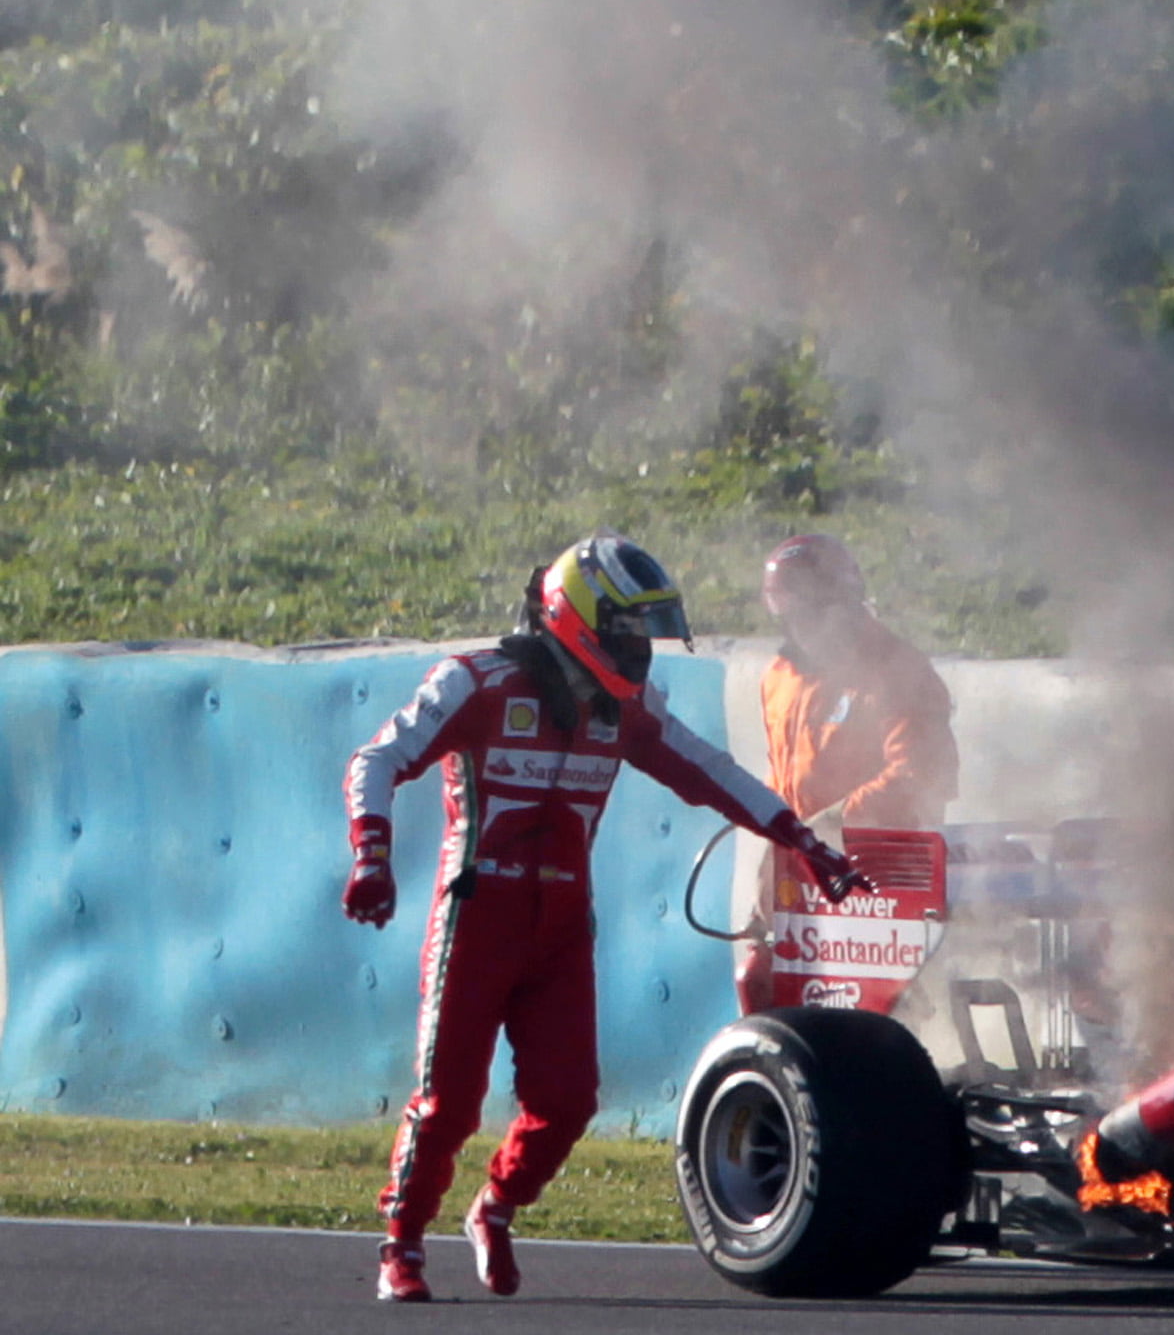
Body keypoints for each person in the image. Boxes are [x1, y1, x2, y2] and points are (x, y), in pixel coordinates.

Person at [344, 533, 864, 1305]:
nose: (640, 651)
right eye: (628, 630)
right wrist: (372, 854)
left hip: (561, 926)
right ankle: (403, 1244)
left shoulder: (628, 712)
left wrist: (798, 837)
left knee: (568, 1102)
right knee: (447, 1102)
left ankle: (495, 1208)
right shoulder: (476, 682)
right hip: (478, 912)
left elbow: (709, 772)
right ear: (578, 619)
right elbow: (377, 759)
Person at [735, 531, 957, 1011]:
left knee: (867, 1011)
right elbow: (782, 785)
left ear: (848, 601)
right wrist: (771, 867)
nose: (805, 628)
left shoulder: (899, 673)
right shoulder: (779, 678)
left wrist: (833, 824)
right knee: (759, 981)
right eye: (793, 616)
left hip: (877, 881)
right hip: (799, 872)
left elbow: (923, 776)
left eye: (814, 612)